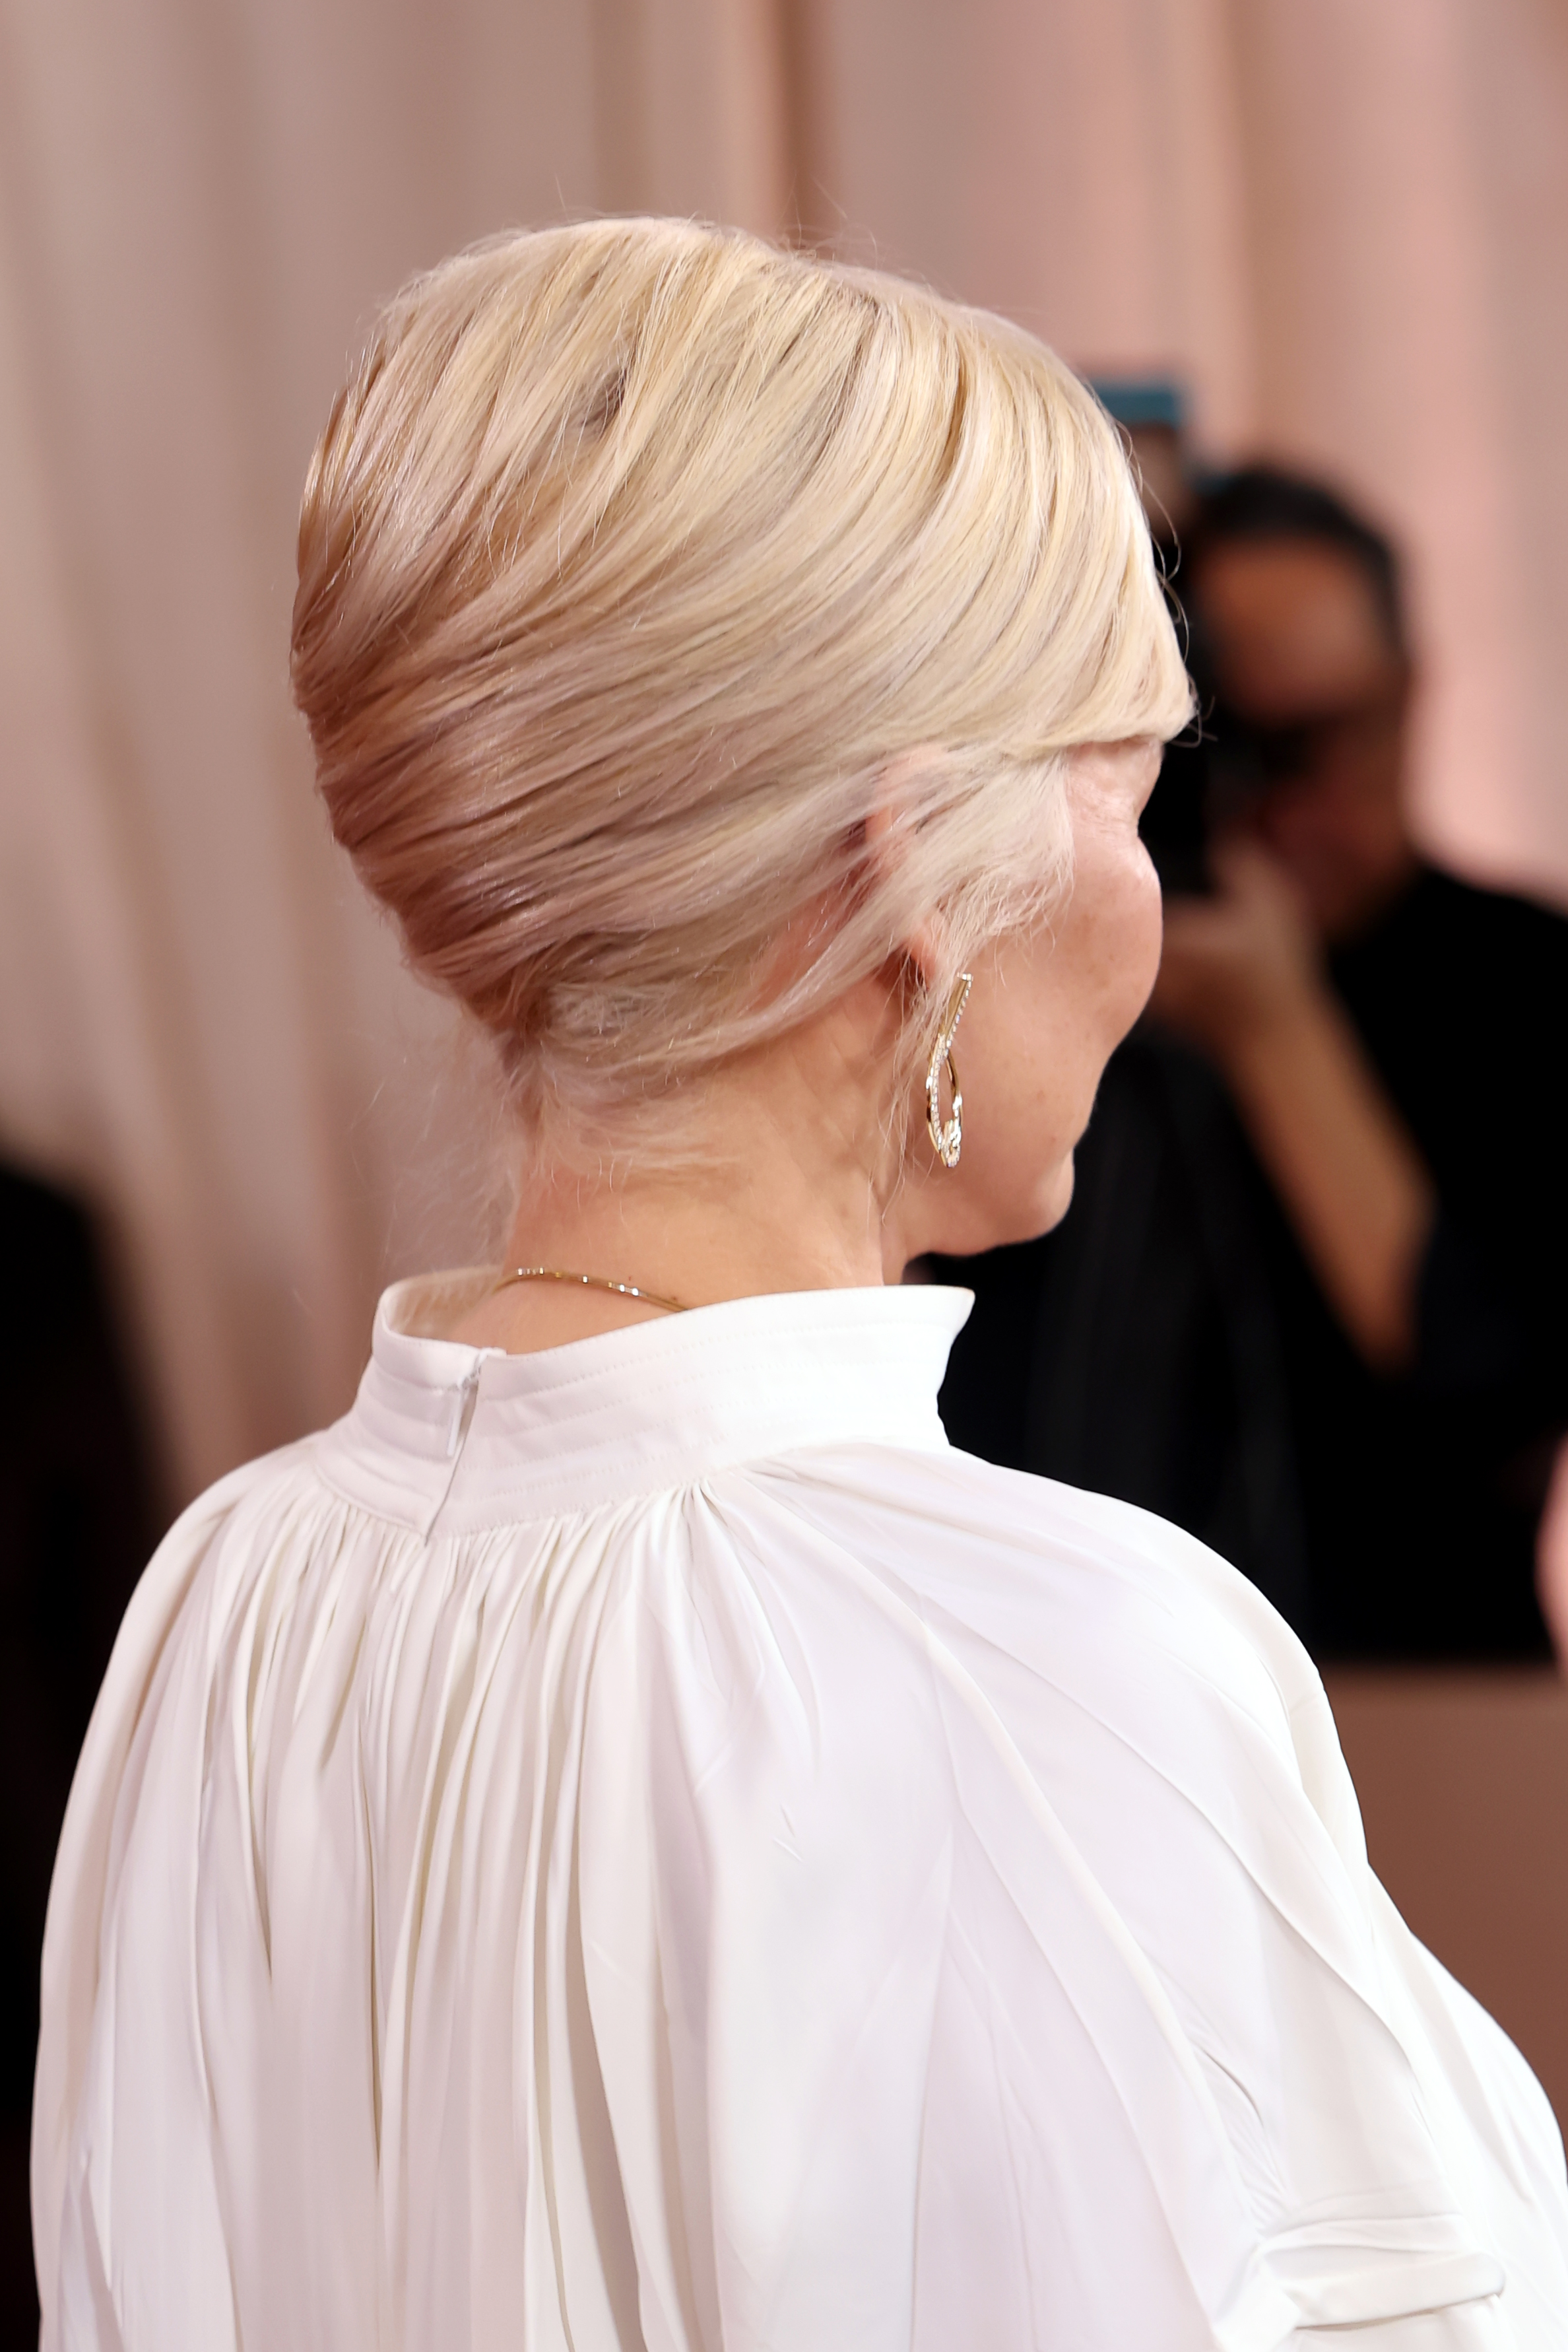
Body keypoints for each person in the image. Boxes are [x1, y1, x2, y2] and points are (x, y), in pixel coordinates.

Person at [32, 224, 1568, 2348]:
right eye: (1129, 792)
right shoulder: (1053, 1656)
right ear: (914, 868)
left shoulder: (228, 1594)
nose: (1154, 900)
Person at [941, 467, 1568, 1658]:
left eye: (1321, 740)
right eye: (1237, 740)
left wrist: (1276, 1032)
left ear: (1412, 697)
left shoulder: (1523, 978)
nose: (1284, 799)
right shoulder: (1074, 969)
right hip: (1075, 1672)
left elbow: (1499, 1395)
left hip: (1413, 1694)